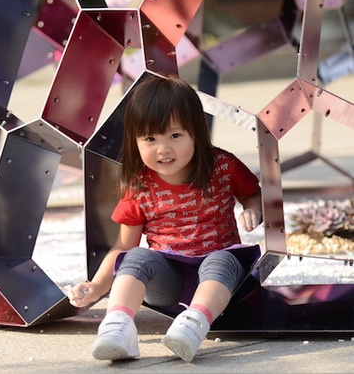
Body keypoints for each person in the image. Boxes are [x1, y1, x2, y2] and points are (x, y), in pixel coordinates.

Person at [67, 73, 262, 362]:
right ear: (135, 141)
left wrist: (252, 208)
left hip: (219, 278)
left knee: (223, 259)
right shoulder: (139, 185)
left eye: (174, 135)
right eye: (150, 138)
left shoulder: (223, 165)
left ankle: (193, 324)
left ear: (196, 131)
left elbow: (252, 193)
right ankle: (117, 328)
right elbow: (123, 247)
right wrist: (96, 286)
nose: (163, 148)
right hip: (168, 280)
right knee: (136, 257)